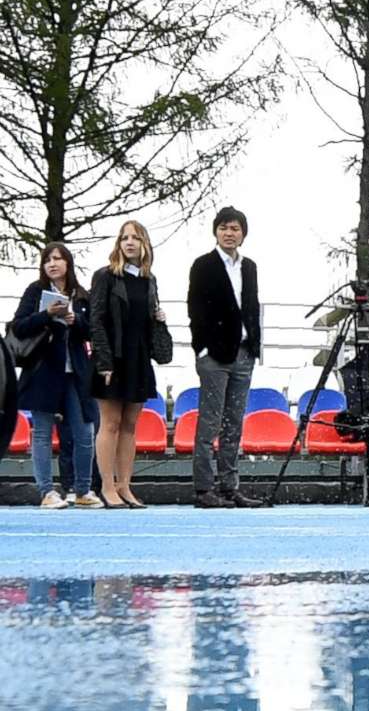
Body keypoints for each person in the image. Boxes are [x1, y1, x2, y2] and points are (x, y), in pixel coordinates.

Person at [10, 242, 100, 508]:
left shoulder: (82, 295)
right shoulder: (35, 291)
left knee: (85, 431)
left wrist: (76, 321)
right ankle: (47, 491)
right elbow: (19, 326)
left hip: (76, 373)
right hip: (43, 372)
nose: (52, 263)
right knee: (42, 432)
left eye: (58, 258)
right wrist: (46, 315)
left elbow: (93, 331)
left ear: (68, 263)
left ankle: (83, 490)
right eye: (47, 259)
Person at [185, 204, 262, 509]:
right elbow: (195, 309)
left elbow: (252, 307)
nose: (229, 233)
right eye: (224, 228)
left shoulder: (249, 266)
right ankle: (204, 488)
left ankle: (230, 486)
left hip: (244, 354)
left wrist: (255, 346)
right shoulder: (203, 265)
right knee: (210, 423)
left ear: (243, 234)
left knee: (234, 424)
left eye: (235, 228)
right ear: (216, 231)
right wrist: (201, 348)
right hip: (214, 356)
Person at [88, 219, 167, 509]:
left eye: (135, 238)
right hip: (112, 358)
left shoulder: (149, 279)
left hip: (139, 357)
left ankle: (125, 486)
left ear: (145, 244)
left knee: (130, 425)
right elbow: (95, 320)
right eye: (124, 238)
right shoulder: (105, 276)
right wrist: (103, 362)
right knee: (110, 423)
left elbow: (147, 318)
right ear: (118, 244)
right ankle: (107, 487)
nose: (129, 242)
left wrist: (160, 320)